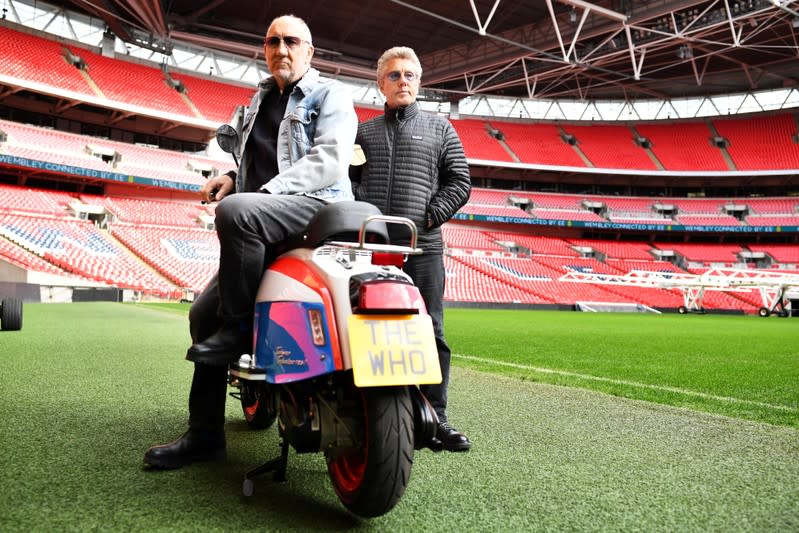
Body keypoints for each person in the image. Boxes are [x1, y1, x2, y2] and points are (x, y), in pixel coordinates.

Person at [144, 14, 358, 469]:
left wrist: (258, 196)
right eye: (273, 41)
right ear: (265, 49)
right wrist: (230, 177)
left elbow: (331, 159)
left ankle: (239, 330)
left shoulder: (332, 94)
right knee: (203, 314)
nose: (281, 49)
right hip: (262, 219)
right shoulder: (258, 100)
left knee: (237, 212)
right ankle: (204, 435)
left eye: (292, 41)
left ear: (310, 52)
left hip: (312, 208)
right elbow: (252, 160)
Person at [349, 46, 472, 452]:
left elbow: (460, 182)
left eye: (410, 76)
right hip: (370, 248)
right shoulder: (362, 133)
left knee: (431, 331)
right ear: (380, 83)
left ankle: (436, 418)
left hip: (424, 248)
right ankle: (369, 413)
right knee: (364, 326)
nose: (404, 82)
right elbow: (347, 181)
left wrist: (431, 217)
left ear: (419, 82)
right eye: (395, 75)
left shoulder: (441, 129)